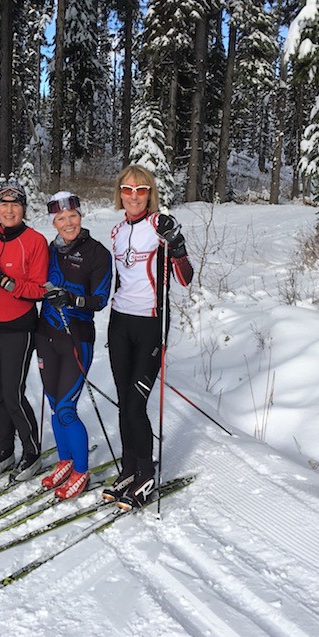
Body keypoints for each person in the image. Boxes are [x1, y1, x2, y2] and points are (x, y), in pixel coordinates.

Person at [104, 165, 193, 510]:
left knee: (135, 402)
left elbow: (185, 279)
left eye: (141, 190)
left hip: (151, 325)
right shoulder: (115, 231)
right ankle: (129, 467)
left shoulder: (160, 226)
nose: (134, 196)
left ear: (150, 193)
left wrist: (178, 246)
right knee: (123, 400)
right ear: (120, 193)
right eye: (128, 189)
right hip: (120, 323)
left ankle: (144, 474)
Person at [0, 181, 49, 481]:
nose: (9, 210)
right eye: (4, 204)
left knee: (13, 393)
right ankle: (4, 449)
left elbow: (39, 289)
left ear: (24, 208)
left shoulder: (35, 241)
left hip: (19, 326)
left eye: (15, 205)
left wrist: (4, 282)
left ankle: (31, 451)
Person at [36, 191, 112, 499]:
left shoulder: (97, 253)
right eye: (60, 219)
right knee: (54, 406)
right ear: (53, 221)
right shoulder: (47, 250)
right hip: (46, 335)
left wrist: (72, 299)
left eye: (72, 216)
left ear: (80, 216)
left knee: (67, 409)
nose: (68, 223)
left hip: (77, 338)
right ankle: (65, 461)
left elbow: (100, 299)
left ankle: (81, 472)